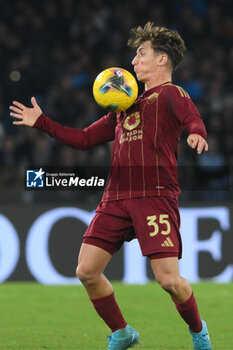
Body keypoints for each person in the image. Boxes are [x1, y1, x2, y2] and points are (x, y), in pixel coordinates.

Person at [10, 22, 212, 350]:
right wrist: (42, 122)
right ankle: (122, 332)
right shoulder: (125, 105)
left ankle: (198, 332)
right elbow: (86, 139)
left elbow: (192, 116)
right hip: (115, 197)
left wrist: (196, 132)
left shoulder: (171, 95)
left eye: (141, 54)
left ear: (162, 60)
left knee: (169, 281)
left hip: (154, 197)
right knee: (86, 271)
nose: (133, 61)